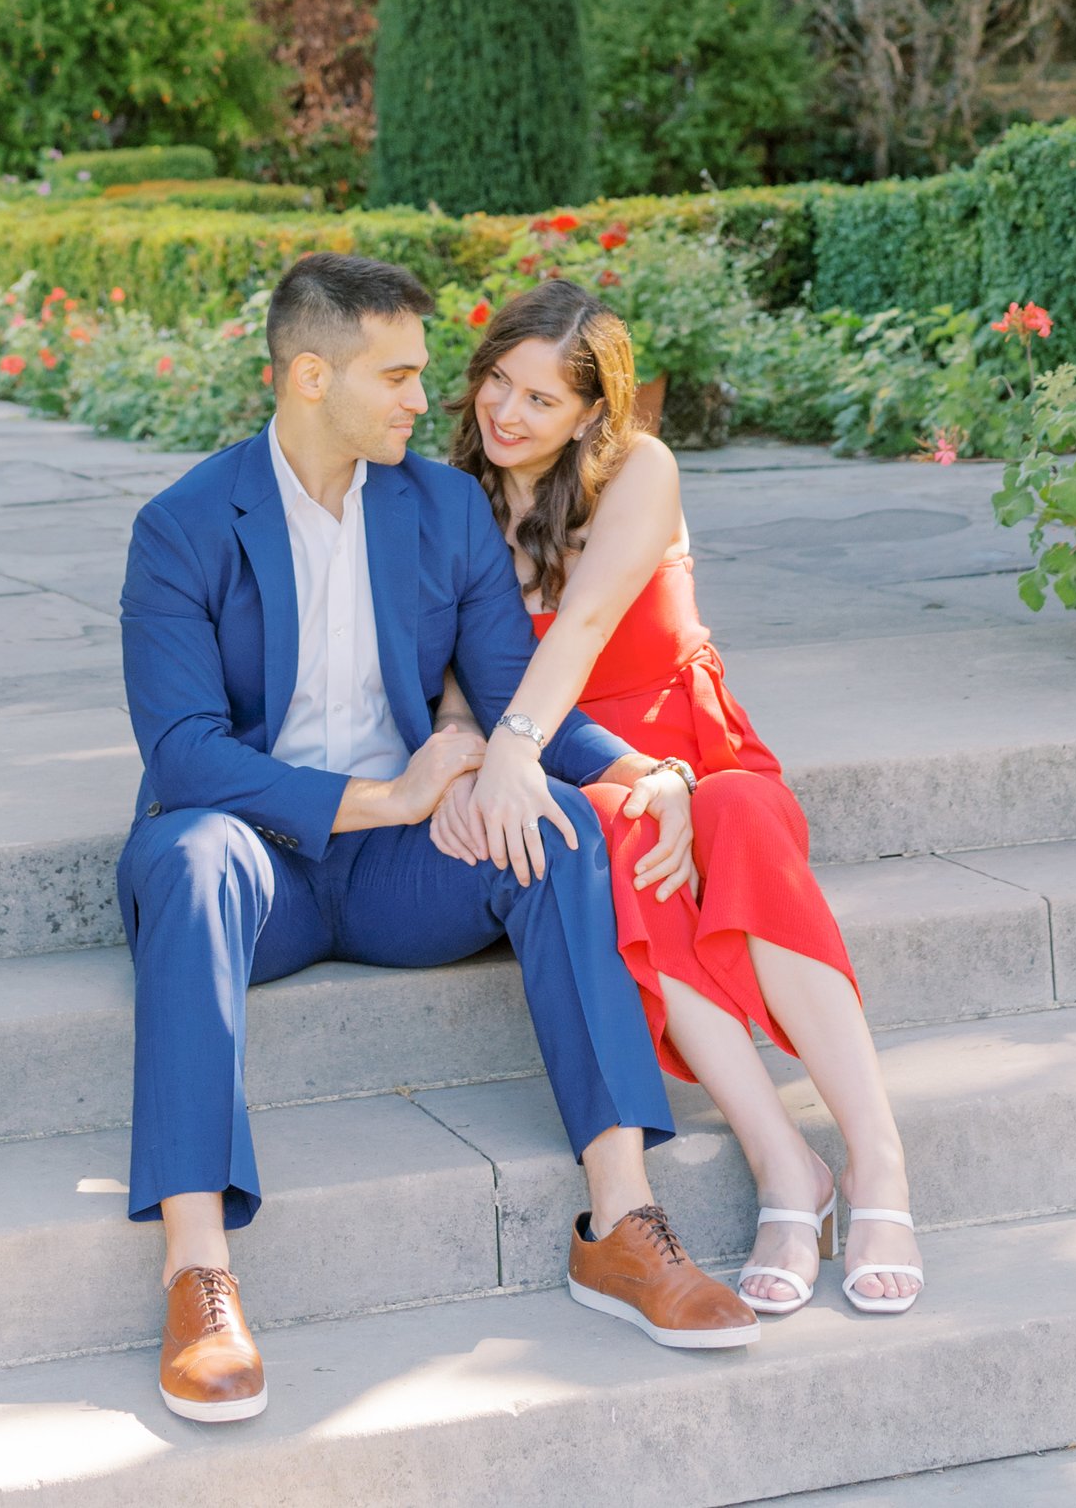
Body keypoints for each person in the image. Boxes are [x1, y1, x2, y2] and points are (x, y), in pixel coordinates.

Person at [116, 251, 760, 1423]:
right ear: (312, 376)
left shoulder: (441, 507)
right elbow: (185, 755)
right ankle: (197, 1272)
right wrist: (391, 797)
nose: (431, 402)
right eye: (401, 375)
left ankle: (620, 1223)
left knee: (558, 827)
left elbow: (516, 695)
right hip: (257, 867)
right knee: (196, 850)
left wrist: (647, 772)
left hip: (399, 878)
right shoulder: (183, 527)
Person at [439, 276, 923, 1321]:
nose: (506, 414)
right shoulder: (449, 500)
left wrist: (528, 752)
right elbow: (445, 673)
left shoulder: (640, 469)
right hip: (574, 760)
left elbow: (581, 626)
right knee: (619, 841)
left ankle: (877, 1164)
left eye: (539, 400)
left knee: (740, 816)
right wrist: (485, 750)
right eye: (497, 382)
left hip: (689, 742)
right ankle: (785, 1165)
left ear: (590, 416)